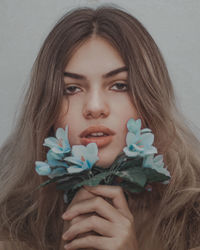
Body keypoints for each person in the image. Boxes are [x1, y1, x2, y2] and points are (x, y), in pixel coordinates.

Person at [0, 4, 200, 250]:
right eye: (71, 89)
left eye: (119, 86)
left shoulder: (193, 219)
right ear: (47, 112)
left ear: (150, 101)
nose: (94, 107)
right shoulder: (9, 224)